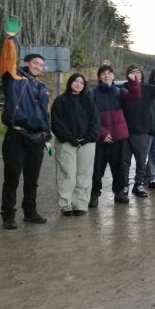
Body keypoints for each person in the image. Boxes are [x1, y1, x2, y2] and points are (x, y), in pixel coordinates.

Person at [0, 17, 51, 229]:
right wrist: (10, 40)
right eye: (35, 63)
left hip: (36, 139)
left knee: (32, 180)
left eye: (41, 64)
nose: (38, 66)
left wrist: (47, 135)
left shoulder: (42, 87)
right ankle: (8, 216)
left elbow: (44, 114)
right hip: (16, 137)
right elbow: (6, 60)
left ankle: (30, 212)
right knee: (12, 179)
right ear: (26, 63)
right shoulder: (13, 78)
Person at [50, 73, 100, 216]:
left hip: (87, 143)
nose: (78, 84)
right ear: (70, 83)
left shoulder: (89, 102)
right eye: (75, 81)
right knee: (67, 174)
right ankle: (65, 204)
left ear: (84, 86)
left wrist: (87, 138)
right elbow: (57, 123)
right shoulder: (60, 101)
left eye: (81, 82)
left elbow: (95, 122)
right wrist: (69, 138)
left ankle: (80, 204)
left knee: (83, 174)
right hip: (66, 143)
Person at [90, 64, 140, 206]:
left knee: (120, 169)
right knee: (96, 170)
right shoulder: (93, 94)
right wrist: (102, 133)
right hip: (101, 139)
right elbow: (91, 117)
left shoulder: (120, 92)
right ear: (99, 77)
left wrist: (134, 82)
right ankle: (94, 194)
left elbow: (135, 98)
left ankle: (119, 193)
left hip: (119, 138)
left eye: (109, 73)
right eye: (103, 74)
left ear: (113, 76)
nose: (106, 76)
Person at [121, 63, 155, 198]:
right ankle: (124, 186)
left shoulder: (148, 89)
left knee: (141, 161)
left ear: (142, 75)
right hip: (125, 132)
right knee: (124, 162)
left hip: (142, 131)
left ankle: (138, 185)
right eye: (133, 72)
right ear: (128, 74)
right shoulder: (123, 88)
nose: (136, 74)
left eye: (138, 72)